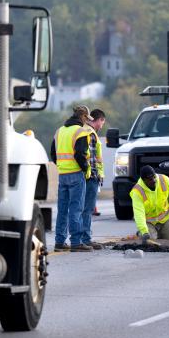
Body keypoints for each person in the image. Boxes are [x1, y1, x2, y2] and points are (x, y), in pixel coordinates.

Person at [50, 105, 93, 252]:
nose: (87, 122)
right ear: (83, 117)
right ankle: (76, 242)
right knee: (76, 209)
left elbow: (53, 154)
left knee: (62, 209)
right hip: (76, 174)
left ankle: (59, 242)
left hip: (62, 175)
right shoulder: (80, 132)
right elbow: (80, 154)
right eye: (87, 118)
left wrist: (62, 166)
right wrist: (86, 168)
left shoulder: (59, 131)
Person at [131, 166, 169, 243]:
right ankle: (141, 233)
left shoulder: (165, 180)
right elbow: (139, 213)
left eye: (154, 177)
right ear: (144, 180)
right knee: (151, 242)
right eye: (150, 179)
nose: (154, 180)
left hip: (165, 220)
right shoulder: (137, 192)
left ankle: (161, 234)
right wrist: (144, 231)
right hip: (149, 223)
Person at [79, 109, 106, 248]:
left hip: (83, 175)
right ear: (99, 120)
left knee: (80, 208)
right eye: (102, 122)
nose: (102, 126)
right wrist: (96, 175)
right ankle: (86, 238)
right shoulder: (91, 134)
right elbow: (93, 159)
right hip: (90, 176)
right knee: (87, 209)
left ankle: (80, 238)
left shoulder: (81, 130)